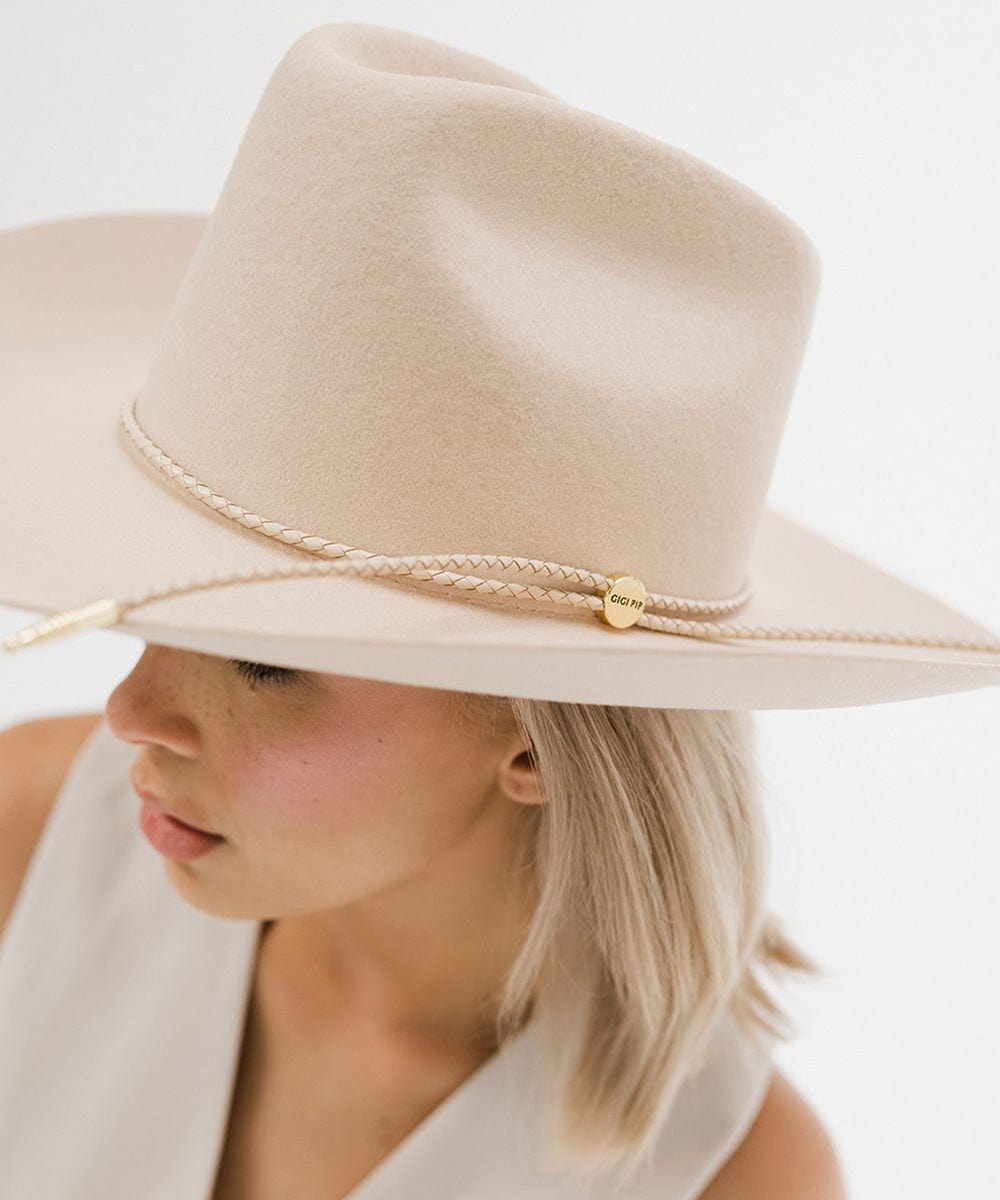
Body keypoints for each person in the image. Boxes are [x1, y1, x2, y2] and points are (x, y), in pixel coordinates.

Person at [1, 20, 998, 1200]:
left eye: (267, 662)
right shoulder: (26, 835)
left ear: (534, 733)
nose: (130, 711)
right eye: (167, 596)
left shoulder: (730, 1177)